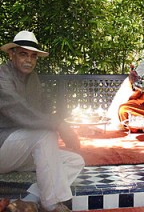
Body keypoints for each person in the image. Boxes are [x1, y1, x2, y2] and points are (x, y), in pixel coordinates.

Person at [0, 31, 85, 212]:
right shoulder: (2, 77)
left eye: (33, 56)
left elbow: (43, 111)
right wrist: (58, 125)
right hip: (3, 148)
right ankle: (52, 205)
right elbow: (19, 109)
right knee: (45, 135)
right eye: (23, 54)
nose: (29, 60)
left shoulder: (33, 79)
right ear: (11, 54)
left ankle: (29, 202)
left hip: (20, 151)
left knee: (75, 161)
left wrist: (65, 122)